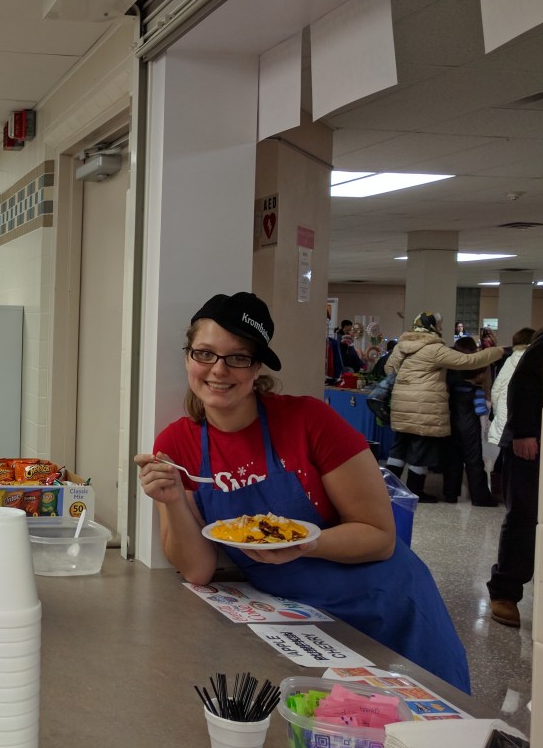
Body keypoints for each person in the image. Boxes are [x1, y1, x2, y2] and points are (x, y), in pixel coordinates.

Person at [134, 292, 471, 693]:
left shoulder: (309, 421)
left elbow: (379, 537)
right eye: (204, 354)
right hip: (302, 621)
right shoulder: (177, 443)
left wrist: (303, 544)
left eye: (238, 357)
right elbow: (197, 570)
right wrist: (172, 500)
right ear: (188, 357)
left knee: (420, 721)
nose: (218, 370)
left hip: (387, 603)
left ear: (257, 366)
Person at [383, 312, 503, 504]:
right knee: (421, 450)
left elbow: (389, 369)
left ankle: (386, 490)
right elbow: (468, 361)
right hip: (424, 405)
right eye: (439, 325)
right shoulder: (434, 349)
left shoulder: (401, 346)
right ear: (432, 327)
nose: (440, 328)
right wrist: (498, 351)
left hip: (401, 404)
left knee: (399, 448)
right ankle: (415, 491)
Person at [486, 328, 543, 628]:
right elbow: (522, 383)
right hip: (530, 445)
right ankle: (505, 592)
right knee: (524, 517)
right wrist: (524, 432)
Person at [440, 337, 497, 506]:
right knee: (473, 460)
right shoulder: (474, 378)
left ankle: (450, 495)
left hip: (452, 420)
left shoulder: (450, 369)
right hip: (469, 424)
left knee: (453, 459)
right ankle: (480, 497)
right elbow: (481, 410)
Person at [486, 327, 536, 501]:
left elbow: (496, 389)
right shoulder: (535, 360)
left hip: (506, 415)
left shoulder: (509, 360)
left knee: (506, 456)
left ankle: (502, 491)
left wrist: (496, 413)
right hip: (526, 420)